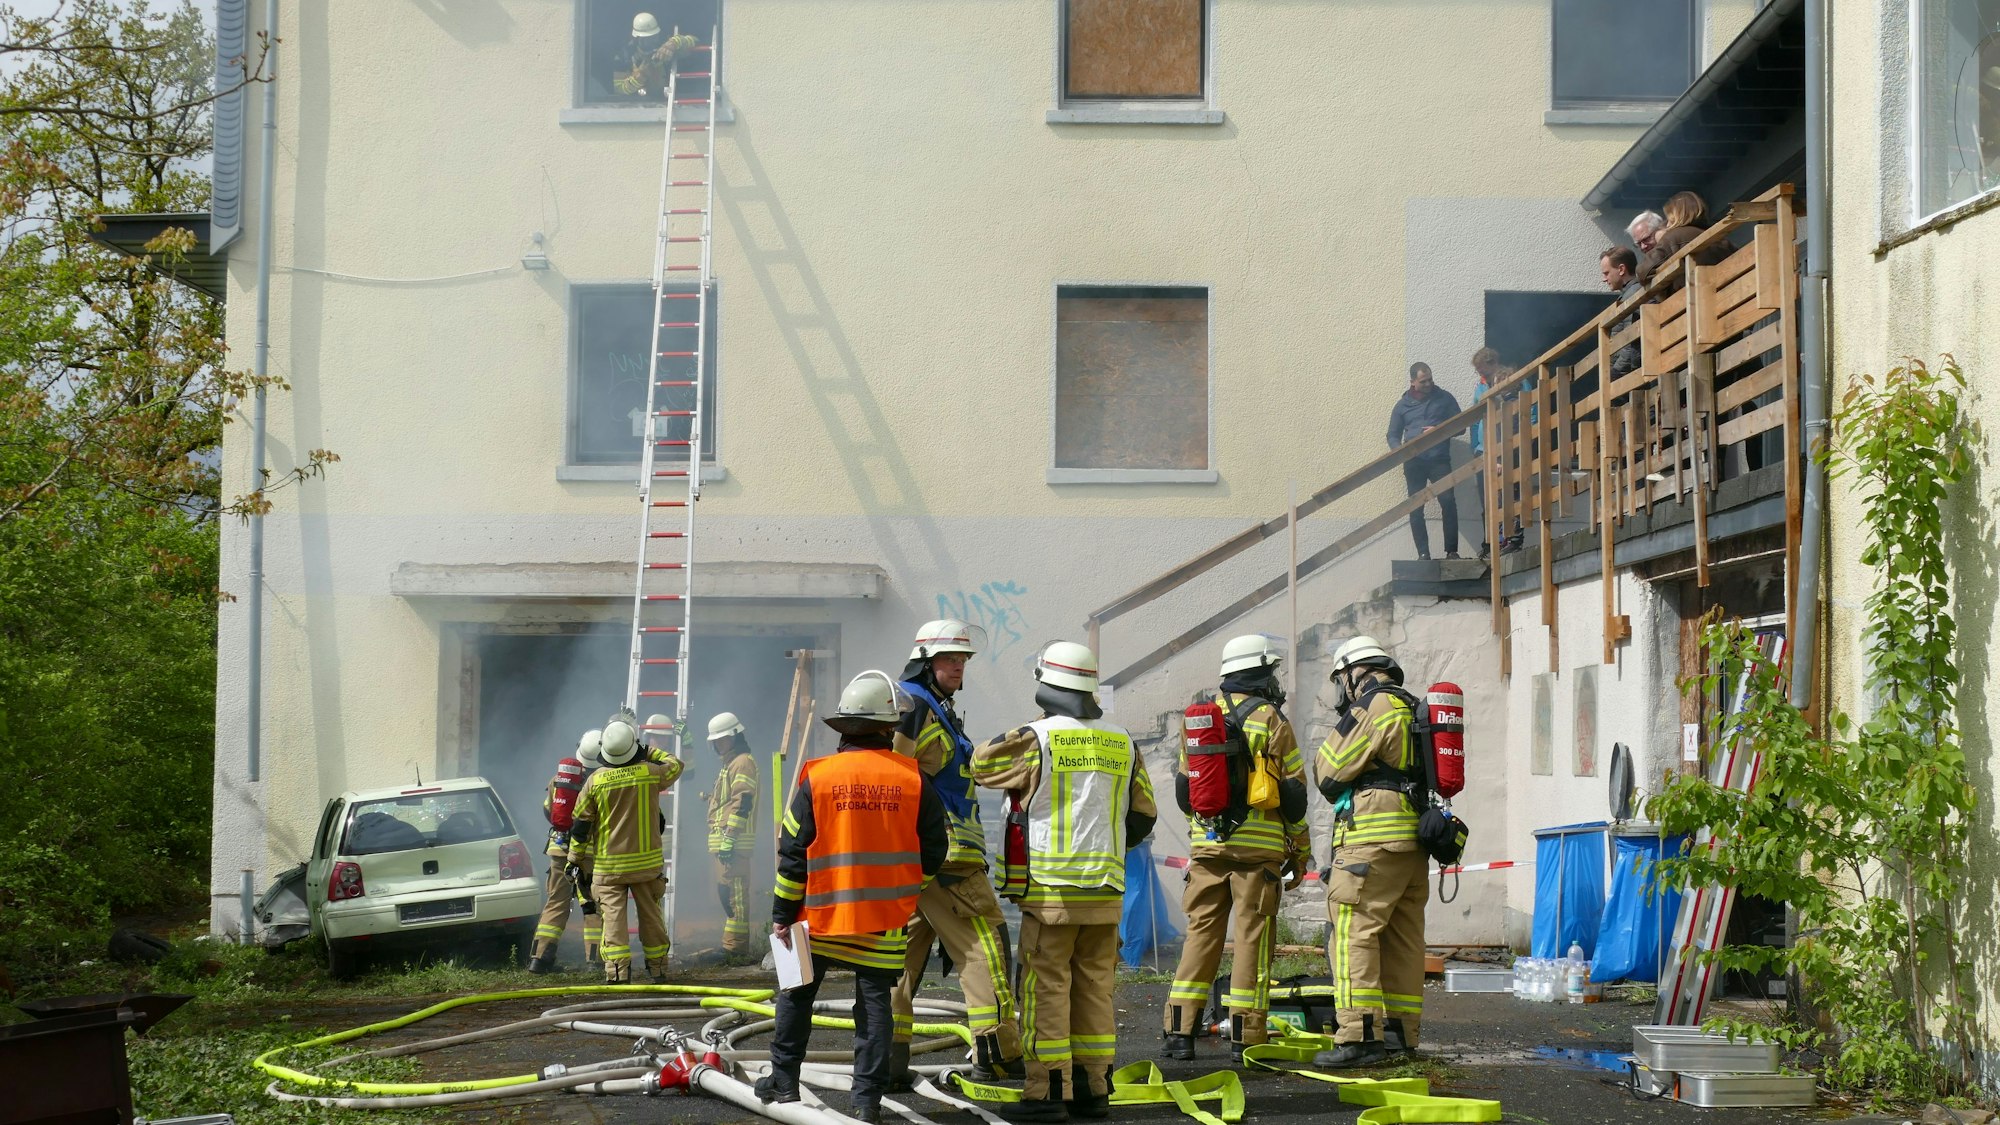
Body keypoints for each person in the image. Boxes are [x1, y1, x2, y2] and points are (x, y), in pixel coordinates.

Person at [973, 642, 1157, 1123]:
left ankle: (1048, 1091)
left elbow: (982, 764)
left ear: (1046, 683)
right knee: (1096, 986)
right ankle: (1094, 1090)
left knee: (1046, 986)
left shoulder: (1038, 739)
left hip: (1052, 892)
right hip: (1106, 890)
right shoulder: (1123, 741)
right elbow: (1144, 815)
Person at [760, 672, 949, 1125]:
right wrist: (906, 891)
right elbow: (935, 851)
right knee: (874, 1008)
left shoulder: (817, 777)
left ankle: (783, 1082)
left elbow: (792, 854)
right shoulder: (913, 780)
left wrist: (783, 915)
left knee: (795, 995)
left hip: (817, 916)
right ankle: (866, 1102)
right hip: (883, 918)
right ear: (889, 727)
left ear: (843, 728)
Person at [889, 619, 1026, 1086]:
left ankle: (886, 1059)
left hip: (923, 858)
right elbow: (897, 773)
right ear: (925, 659)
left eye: (963, 659)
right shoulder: (913, 705)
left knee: (900, 959)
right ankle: (998, 1051)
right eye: (950, 658)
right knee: (983, 944)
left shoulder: (932, 706)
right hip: (947, 857)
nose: (958, 666)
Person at [1161, 635, 1311, 1063]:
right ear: (1262, 672)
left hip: (1207, 848)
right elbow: (1294, 796)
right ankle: (1247, 1036)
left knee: (1201, 937)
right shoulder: (1272, 720)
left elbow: (1184, 789)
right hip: (1257, 854)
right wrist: (1300, 850)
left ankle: (1178, 1032)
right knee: (1252, 940)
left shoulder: (1200, 719)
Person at [1313, 636, 1428, 1069]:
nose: (1340, 689)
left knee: (1352, 934)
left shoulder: (1372, 707)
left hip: (1370, 844)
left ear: (1352, 673)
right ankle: (1399, 1033)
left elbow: (1328, 772)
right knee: (1402, 939)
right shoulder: (1411, 704)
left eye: (1340, 679)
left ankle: (1359, 1036)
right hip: (1412, 843)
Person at [570, 708, 685, 983]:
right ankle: (658, 969)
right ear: (632, 746)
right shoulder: (649, 773)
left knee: (613, 921)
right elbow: (676, 765)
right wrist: (647, 749)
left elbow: (580, 822)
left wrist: (574, 858)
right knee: (651, 917)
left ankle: (618, 973)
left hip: (609, 869)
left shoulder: (595, 781)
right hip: (646, 866)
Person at [528, 728, 606, 975]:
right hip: (589, 855)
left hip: (559, 851)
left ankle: (539, 960)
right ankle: (595, 961)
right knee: (592, 906)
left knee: (555, 903)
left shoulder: (560, 780)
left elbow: (548, 811)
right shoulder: (602, 782)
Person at [1385, 362, 1464, 561]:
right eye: (1423, 381)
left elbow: (1462, 426)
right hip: (1414, 462)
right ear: (1413, 382)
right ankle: (1423, 553)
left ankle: (1452, 551)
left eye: (1430, 379)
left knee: (1447, 501)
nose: (1428, 383)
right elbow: (1392, 435)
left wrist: (1439, 429)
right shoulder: (1402, 405)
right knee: (1415, 507)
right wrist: (1399, 452)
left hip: (1439, 459)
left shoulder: (1444, 398)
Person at [704, 711, 760, 964]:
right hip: (725, 843)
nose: (718, 744)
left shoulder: (742, 762)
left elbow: (743, 800)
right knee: (726, 894)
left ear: (735, 736)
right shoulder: (730, 763)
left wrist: (730, 836)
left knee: (735, 895)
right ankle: (732, 946)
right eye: (715, 740)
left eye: (723, 739)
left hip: (733, 844)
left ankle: (736, 949)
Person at [1644, 191, 1730, 294]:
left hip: (1695, 301)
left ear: (1677, 216)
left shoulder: (1674, 235)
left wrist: (1660, 238)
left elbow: (1644, 271)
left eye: (1669, 219)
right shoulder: (1719, 237)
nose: (1667, 225)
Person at [1600, 246, 1644, 379]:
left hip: (1631, 374)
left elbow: (1631, 341)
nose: (1604, 279)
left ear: (1621, 269)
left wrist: (1616, 373)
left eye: (1606, 273)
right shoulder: (1631, 294)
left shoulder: (1634, 295)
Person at [1627, 210, 1666, 282]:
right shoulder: (1649, 265)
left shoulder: (1674, 247)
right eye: (1638, 244)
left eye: (1647, 239)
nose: (1643, 246)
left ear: (1660, 231)